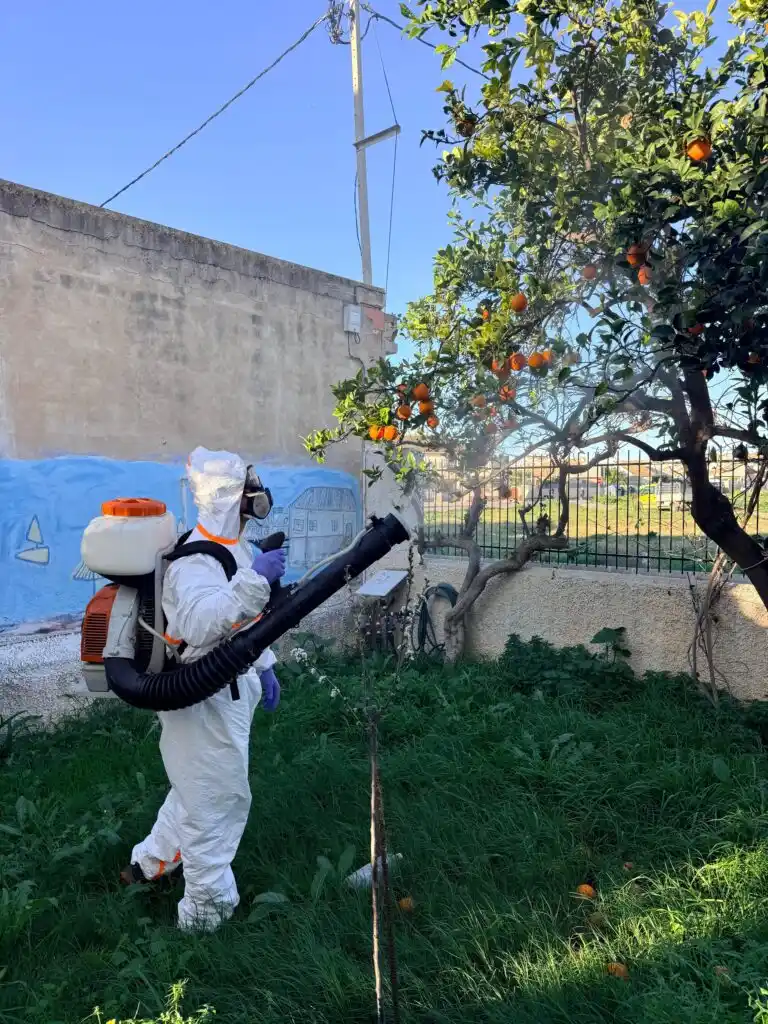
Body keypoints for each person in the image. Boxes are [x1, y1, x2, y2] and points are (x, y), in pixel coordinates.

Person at [121, 446, 286, 932]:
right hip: (201, 699)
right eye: (246, 497)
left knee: (194, 789)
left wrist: (267, 664)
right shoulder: (193, 562)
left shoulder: (234, 549)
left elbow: (244, 625)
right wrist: (256, 580)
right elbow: (198, 622)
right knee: (217, 802)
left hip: (230, 691)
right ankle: (205, 916)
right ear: (226, 500)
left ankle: (147, 865)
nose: (255, 507)